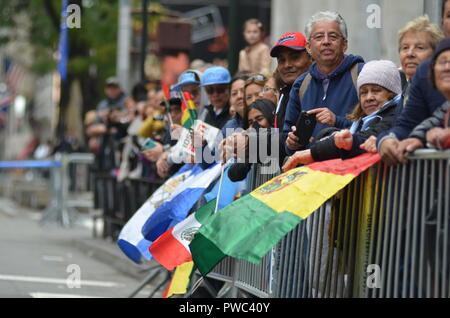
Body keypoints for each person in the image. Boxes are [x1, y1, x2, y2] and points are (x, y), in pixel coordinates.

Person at [282, 60, 402, 171]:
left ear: (392, 93)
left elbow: (363, 138)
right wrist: (326, 136)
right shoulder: (360, 122)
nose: (369, 97)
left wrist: (314, 152)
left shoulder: (395, 116)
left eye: (376, 90)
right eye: (364, 92)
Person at [371, 0, 450, 165]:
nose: (410, 54)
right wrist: (386, 140)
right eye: (404, 48)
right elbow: (411, 124)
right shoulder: (422, 74)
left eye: (420, 48)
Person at [283, 11, 365, 156]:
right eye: (319, 37)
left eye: (333, 36)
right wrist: (292, 142)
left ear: (344, 44)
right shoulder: (301, 84)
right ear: (308, 47)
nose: (326, 41)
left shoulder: (362, 74)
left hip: (351, 171)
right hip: (311, 173)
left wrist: (337, 121)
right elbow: (287, 136)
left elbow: (378, 124)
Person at [407, 37, 450, 151]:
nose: (447, 67)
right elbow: (428, 125)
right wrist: (419, 138)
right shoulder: (445, 108)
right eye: (442, 62)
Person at [228, 98, 276, 182]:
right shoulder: (250, 148)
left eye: (260, 119)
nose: (255, 126)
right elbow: (234, 174)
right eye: (250, 123)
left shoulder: (280, 139)